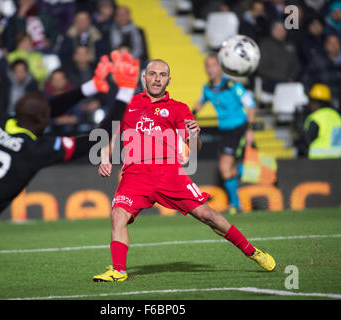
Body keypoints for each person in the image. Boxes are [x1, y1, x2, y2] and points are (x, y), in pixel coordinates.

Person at [0, 50, 140, 300]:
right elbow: (94, 139)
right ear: (42, 122)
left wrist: (90, 86)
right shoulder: (35, 150)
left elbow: (45, 109)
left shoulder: (1, 123)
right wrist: (124, 92)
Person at [93, 57, 275, 283]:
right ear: (144, 78)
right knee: (117, 215)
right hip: (135, 174)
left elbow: (194, 148)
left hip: (169, 174)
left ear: (169, 80)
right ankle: (118, 271)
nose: (157, 78)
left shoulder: (179, 109)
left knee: (207, 215)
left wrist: (195, 134)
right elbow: (111, 136)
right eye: (152, 74)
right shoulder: (129, 106)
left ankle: (252, 251)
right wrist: (104, 158)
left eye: (162, 75)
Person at [193, 54, 256, 215]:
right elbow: (198, 106)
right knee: (230, 170)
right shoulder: (207, 89)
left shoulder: (233, 85)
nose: (210, 69)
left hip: (239, 129)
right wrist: (185, 119)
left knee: (224, 167)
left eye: (213, 65)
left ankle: (235, 203)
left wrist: (249, 129)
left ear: (220, 67)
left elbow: (252, 106)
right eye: (208, 65)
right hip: (225, 132)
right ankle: (238, 203)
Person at [303, 83, 341, 159]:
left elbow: (306, 142)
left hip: (318, 163)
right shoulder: (338, 117)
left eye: (311, 101)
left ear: (317, 102)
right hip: (340, 163)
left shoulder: (316, 118)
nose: (310, 105)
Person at [257, 21, 301, 93]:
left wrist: (291, 77)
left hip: (288, 81)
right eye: (278, 30)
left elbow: (296, 64)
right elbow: (262, 68)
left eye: (283, 30)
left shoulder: (290, 45)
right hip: (269, 81)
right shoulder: (265, 44)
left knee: (298, 88)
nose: (281, 32)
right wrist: (280, 78)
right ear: (272, 31)